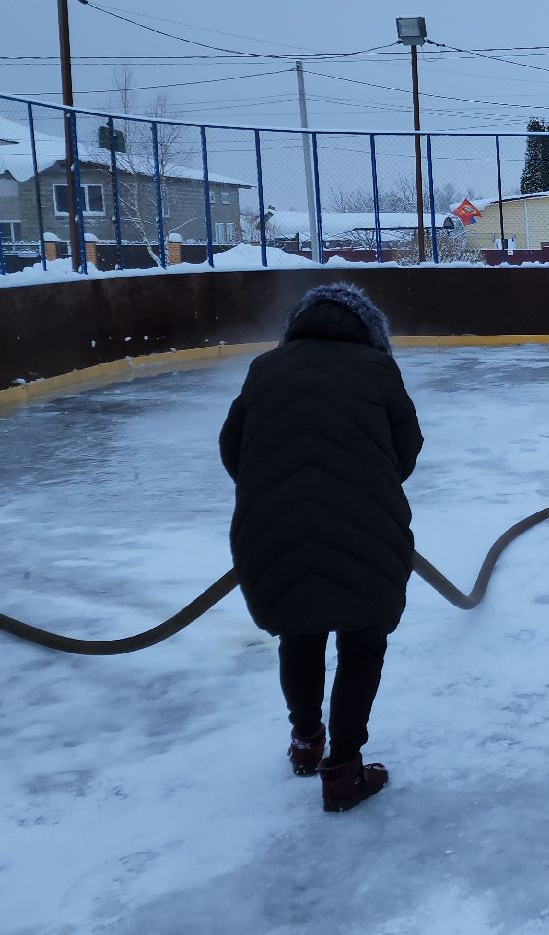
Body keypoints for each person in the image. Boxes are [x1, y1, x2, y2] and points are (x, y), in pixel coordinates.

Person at [219, 283, 424, 813]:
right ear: (369, 330)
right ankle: (344, 771)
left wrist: (273, 491)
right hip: (367, 525)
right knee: (362, 642)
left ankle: (306, 742)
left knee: (300, 633)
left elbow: (232, 447)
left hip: (274, 526)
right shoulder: (378, 370)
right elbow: (407, 448)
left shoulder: (266, 368)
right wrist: (368, 484)